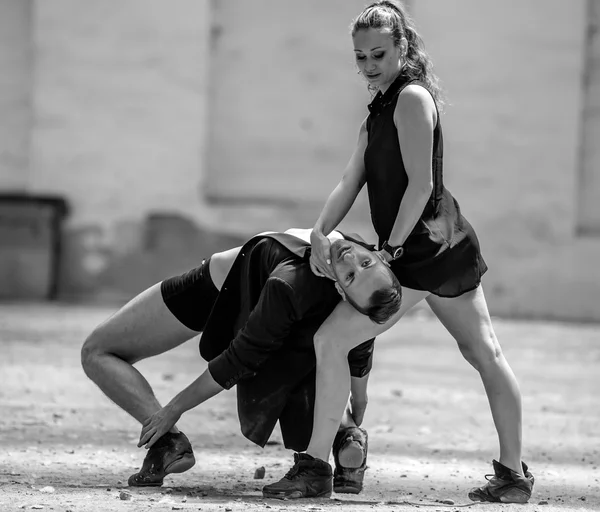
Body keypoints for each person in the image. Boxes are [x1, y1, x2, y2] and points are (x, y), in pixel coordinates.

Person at [268, 1, 535, 504]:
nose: (369, 66)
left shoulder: (412, 98)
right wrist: (321, 234)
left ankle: (315, 468)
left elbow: (420, 186)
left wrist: (387, 253)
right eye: (361, 57)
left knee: (334, 341)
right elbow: (352, 179)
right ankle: (512, 476)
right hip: (426, 246)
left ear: (403, 47)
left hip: (427, 247)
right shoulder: (378, 108)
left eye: (379, 54)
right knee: (481, 352)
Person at [80, 228, 400, 496]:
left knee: (97, 351)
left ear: (341, 289)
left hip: (215, 290)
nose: (350, 261)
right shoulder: (346, 274)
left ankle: (167, 440)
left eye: (350, 275)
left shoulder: (292, 281)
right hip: (259, 298)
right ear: (377, 253)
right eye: (365, 261)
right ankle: (344, 431)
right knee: (307, 349)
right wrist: (359, 396)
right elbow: (357, 338)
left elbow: (238, 359)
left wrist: (171, 410)